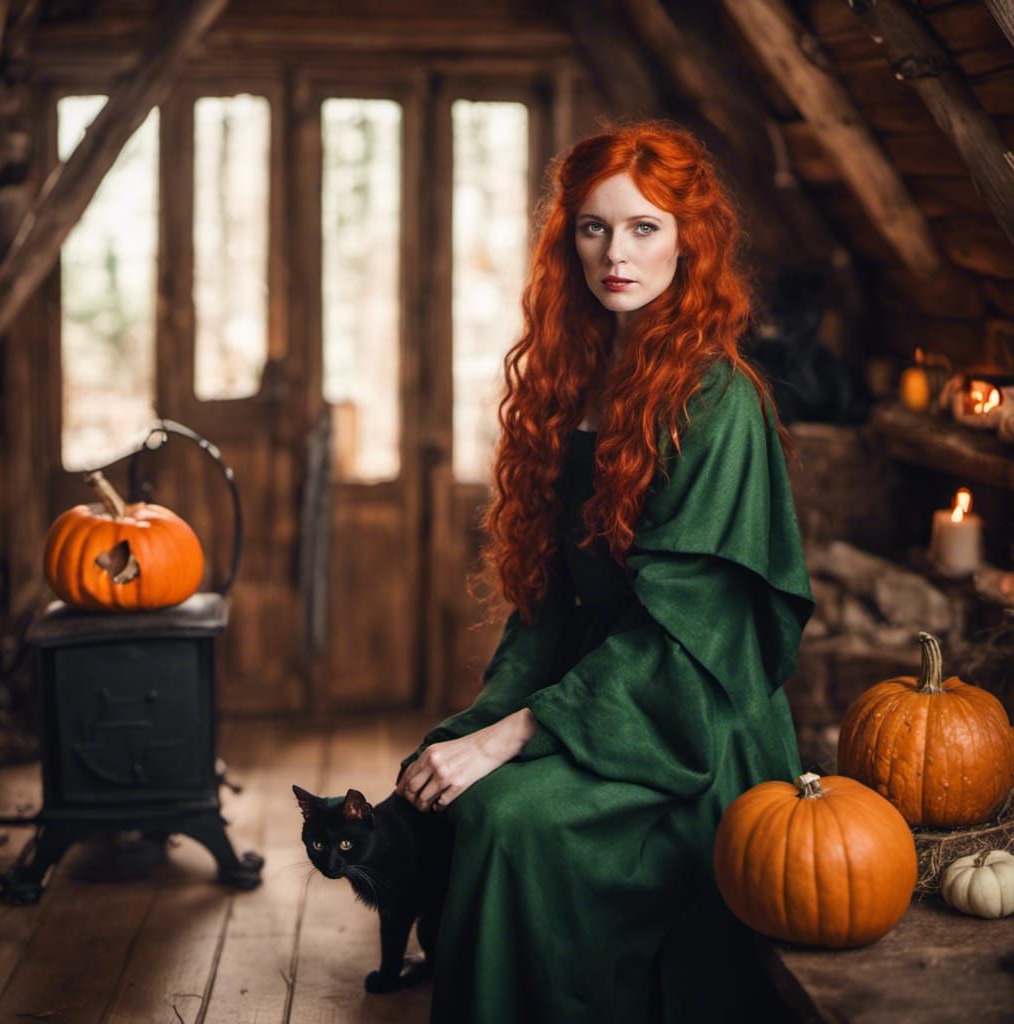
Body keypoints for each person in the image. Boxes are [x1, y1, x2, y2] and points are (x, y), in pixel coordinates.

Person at [394, 121, 815, 1023]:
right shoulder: (575, 378)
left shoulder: (718, 400)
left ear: (687, 240)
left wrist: (511, 738)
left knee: (515, 820)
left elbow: (684, 635)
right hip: (595, 695)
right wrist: (480, 721)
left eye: (643, 228)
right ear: (566, 239)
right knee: (431, 776)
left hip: (689, 724)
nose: (615, 254)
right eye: (593, 227)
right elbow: (548, 607)